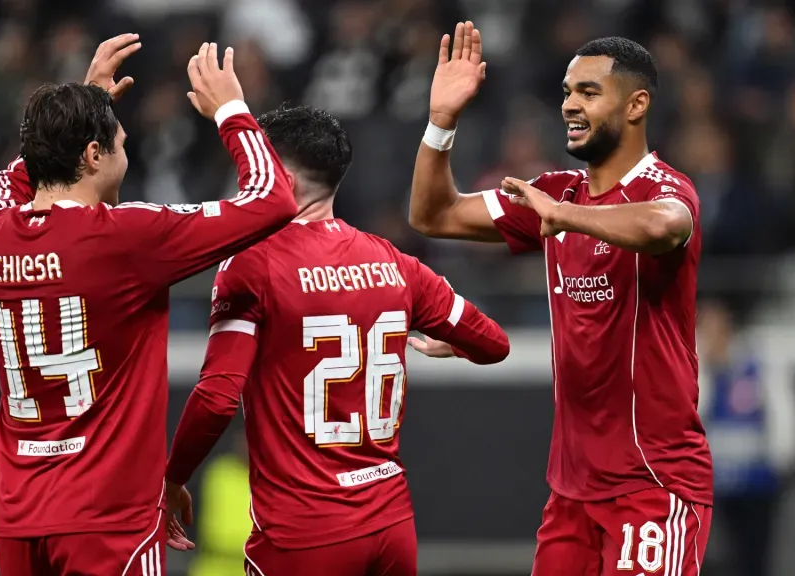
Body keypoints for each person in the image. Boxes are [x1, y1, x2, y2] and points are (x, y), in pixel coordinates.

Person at [0, 35, 300, 576]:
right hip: (108, 519)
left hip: (17, 517)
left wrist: (84, 100)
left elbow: (18, 175)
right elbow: (273, 198)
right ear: (94, 154)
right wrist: (232, 111)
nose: (126, 156)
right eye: (120, 144)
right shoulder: (127, 238)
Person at [408, 23, 713, 576]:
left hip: (653, 483)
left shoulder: (662, 188)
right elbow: (434, 214)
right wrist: (441, 124)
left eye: (589, 92)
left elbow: (666, 226)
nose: (571, 105)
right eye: (567, 92)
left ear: (637, 104)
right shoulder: (557, 191)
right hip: (571, 492)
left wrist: (561, 215)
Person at [162, 104, 510, 576]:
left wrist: (173, 477)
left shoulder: (252, 264)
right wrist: (457, 344)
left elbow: (218, 397)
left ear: (281, 177)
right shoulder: (396, 262)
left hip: (303, 533)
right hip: (391, 526)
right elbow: (493, 344)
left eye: (255, 165)